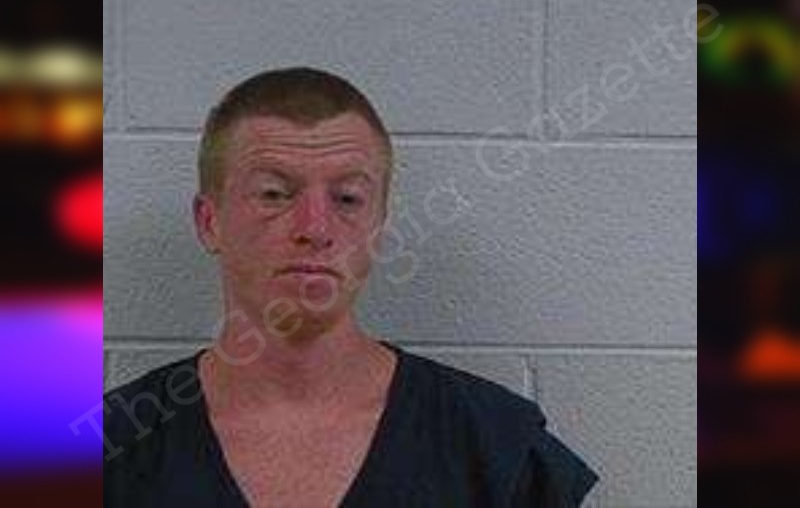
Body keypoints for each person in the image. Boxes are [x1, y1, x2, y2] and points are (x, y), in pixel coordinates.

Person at [103, 67, 598, 507]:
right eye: (274, 194)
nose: (315, 228)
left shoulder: (493, 445)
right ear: (209, 221)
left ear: (379, 225)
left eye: (347, 198)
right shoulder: (115, 444)